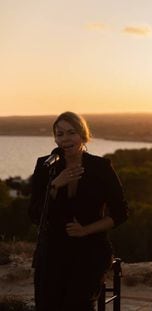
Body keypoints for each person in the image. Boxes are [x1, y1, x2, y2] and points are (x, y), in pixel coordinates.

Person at [29, 111, 128, 311]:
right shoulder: (46, 166)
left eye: (71, 132)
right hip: (53, 247)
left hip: (90, 247)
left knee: (76, 304)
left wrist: (86, 230)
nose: (65, 139)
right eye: (60, 134)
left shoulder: (101, 167)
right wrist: (55, 185)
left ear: (83, 134)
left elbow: (121, 212)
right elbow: (34, 214)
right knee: (48, 303)